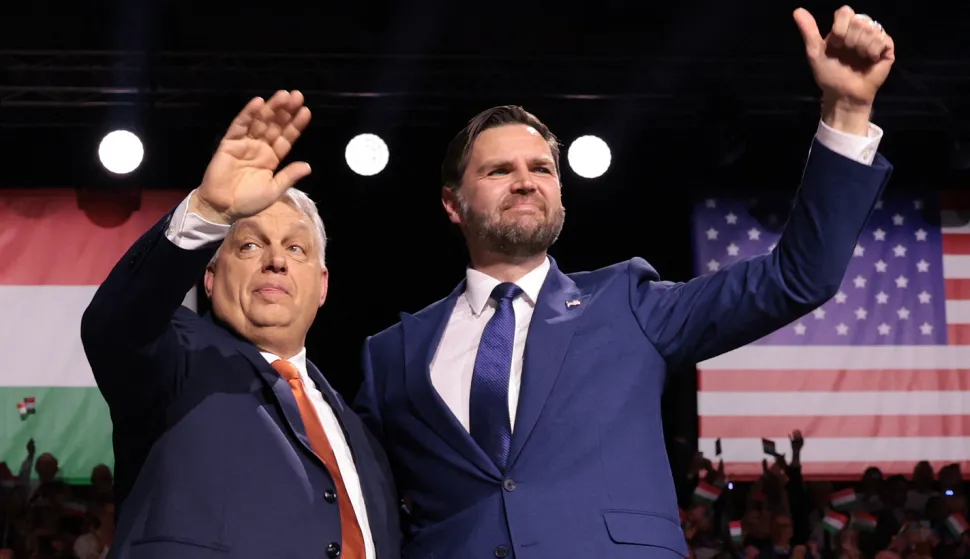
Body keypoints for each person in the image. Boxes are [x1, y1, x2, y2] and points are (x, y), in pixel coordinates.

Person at [354, 7, 895, 559]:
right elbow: (358, 504)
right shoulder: (393, 354)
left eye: (542, 170)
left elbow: (798, 276)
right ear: (453, 203)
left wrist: (847, 110)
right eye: (499, 171)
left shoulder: (628, 304)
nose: (525, 183)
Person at [81, 90, 400, 559]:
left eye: (296, 249)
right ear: (209, 277)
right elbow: (116, 324)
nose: (275, 261)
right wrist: (210, 212)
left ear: (323, 285)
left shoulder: (360, 430)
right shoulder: (175, 362)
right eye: (250, 246)